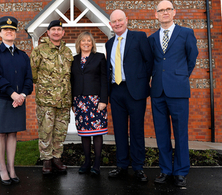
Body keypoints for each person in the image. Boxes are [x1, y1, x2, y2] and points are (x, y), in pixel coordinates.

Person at [148, 0, 199, 187]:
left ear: (174, 12)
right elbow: (153, 63)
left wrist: (181, 76)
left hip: (178, 90)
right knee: (161, 133)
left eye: (168, 9)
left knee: (180, 133)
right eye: (161, 10)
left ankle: (180, 171)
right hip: (158, 92)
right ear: (156, 15)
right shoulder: (152, 38)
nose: (165, 13)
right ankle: (166, 170)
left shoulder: (186, 33)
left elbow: (192, 58)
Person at [105, 10, 153, 181]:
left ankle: (139, 167)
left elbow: (149, 62)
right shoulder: (109, 43)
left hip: (136, 91)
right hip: (116, 91)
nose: (117, 23)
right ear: (110, 24)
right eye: (114, 21)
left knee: (137, 130)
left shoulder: (139, 37)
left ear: (126, 20)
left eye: (120, 20)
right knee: (119, 130)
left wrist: (140, 81)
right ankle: (122, 165)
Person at [0, 16, 33, 185]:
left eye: (12, 30)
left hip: (18, 100)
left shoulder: (23, 56)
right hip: (0, 99)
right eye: (5, 29)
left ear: (15, 33)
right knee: (0, 133)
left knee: (13, 133)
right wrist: (12, 93)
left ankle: (12, 168)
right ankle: (2, 168)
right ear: (0, 33)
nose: (9, 32)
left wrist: (22, 96)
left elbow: (29, 79)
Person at [30, 20, 73, 174]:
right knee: (46, 131)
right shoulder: (39, 51)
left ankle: (56, 157)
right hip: (46, 100)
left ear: (62, 33)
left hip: (64, 101)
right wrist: (46, 87)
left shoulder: (67, 52)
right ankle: (46, 160)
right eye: (53, 29)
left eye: (59, 29)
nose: (56, 32)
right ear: (48, 32)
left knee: (60, 131)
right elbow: (33, 74)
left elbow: (70, 76)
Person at [71, 32, 108, 175]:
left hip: (95, 101)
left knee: (97, 134)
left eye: (89, 41)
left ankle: (97, 165)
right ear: (79, 44)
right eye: (83, 41)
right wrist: (72, 103)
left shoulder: (99, 58)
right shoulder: (74, 60)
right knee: (84, 134)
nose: (86, 43)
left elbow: (104, 79)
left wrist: (104, 100)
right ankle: (87, 162)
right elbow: (72, 81)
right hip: (79, 101)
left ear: (92, 44)